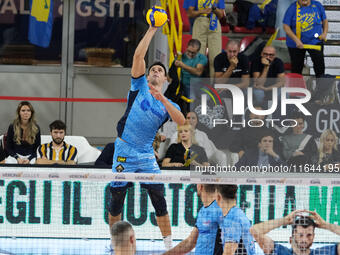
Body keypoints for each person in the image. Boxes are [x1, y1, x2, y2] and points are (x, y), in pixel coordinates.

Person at [109, 25, 185, 251]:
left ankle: (169, 245)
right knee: (116, 200)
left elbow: (181, 121)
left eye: (160, 70)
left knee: (159, 199)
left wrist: (162, 99)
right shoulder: (139, 85)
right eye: (152, 69)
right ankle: (114, 244)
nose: (155, 71)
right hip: (123, 149)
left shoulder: (168, 104)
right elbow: (138, 56)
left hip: (145, 155)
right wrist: (152, 29)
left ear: (165, 78)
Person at [163, 184, 223, 255]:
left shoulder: (220, 210)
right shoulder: (203, 211)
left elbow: (232, 243)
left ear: (200, 186)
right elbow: (190, 242)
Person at [250, 210, 340, 255]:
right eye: (300, 235)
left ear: (313, 237)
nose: (304, 239)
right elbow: (254, 230)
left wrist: (326, 225)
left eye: (309, 235)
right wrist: (284, 220)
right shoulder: (279, 251)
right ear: (292, 236)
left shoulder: (324, 252)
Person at [283, 0, 328, 77]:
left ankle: (321, 88)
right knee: (296, 69)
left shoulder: (317, 5)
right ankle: (296, 88)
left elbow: (325, 21)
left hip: (315, 42)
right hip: (295, 44)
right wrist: (296, 40)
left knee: (320, 67)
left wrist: (324, 33)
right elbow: (286, 26)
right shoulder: (292, 8)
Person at [187, 0, 225, 77]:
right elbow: (190, 13)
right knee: (197, 57)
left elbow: (221, 15)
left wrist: (214, 8)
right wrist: (202, 11)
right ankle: (196, 86)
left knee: (215, 58)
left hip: (214, 22)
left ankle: (214, 87)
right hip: (200, 21)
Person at [215, 185, 256, 255]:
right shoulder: (237, 213)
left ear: (218, 197)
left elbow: (228, 252)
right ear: (236, 195)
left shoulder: (232, 218)